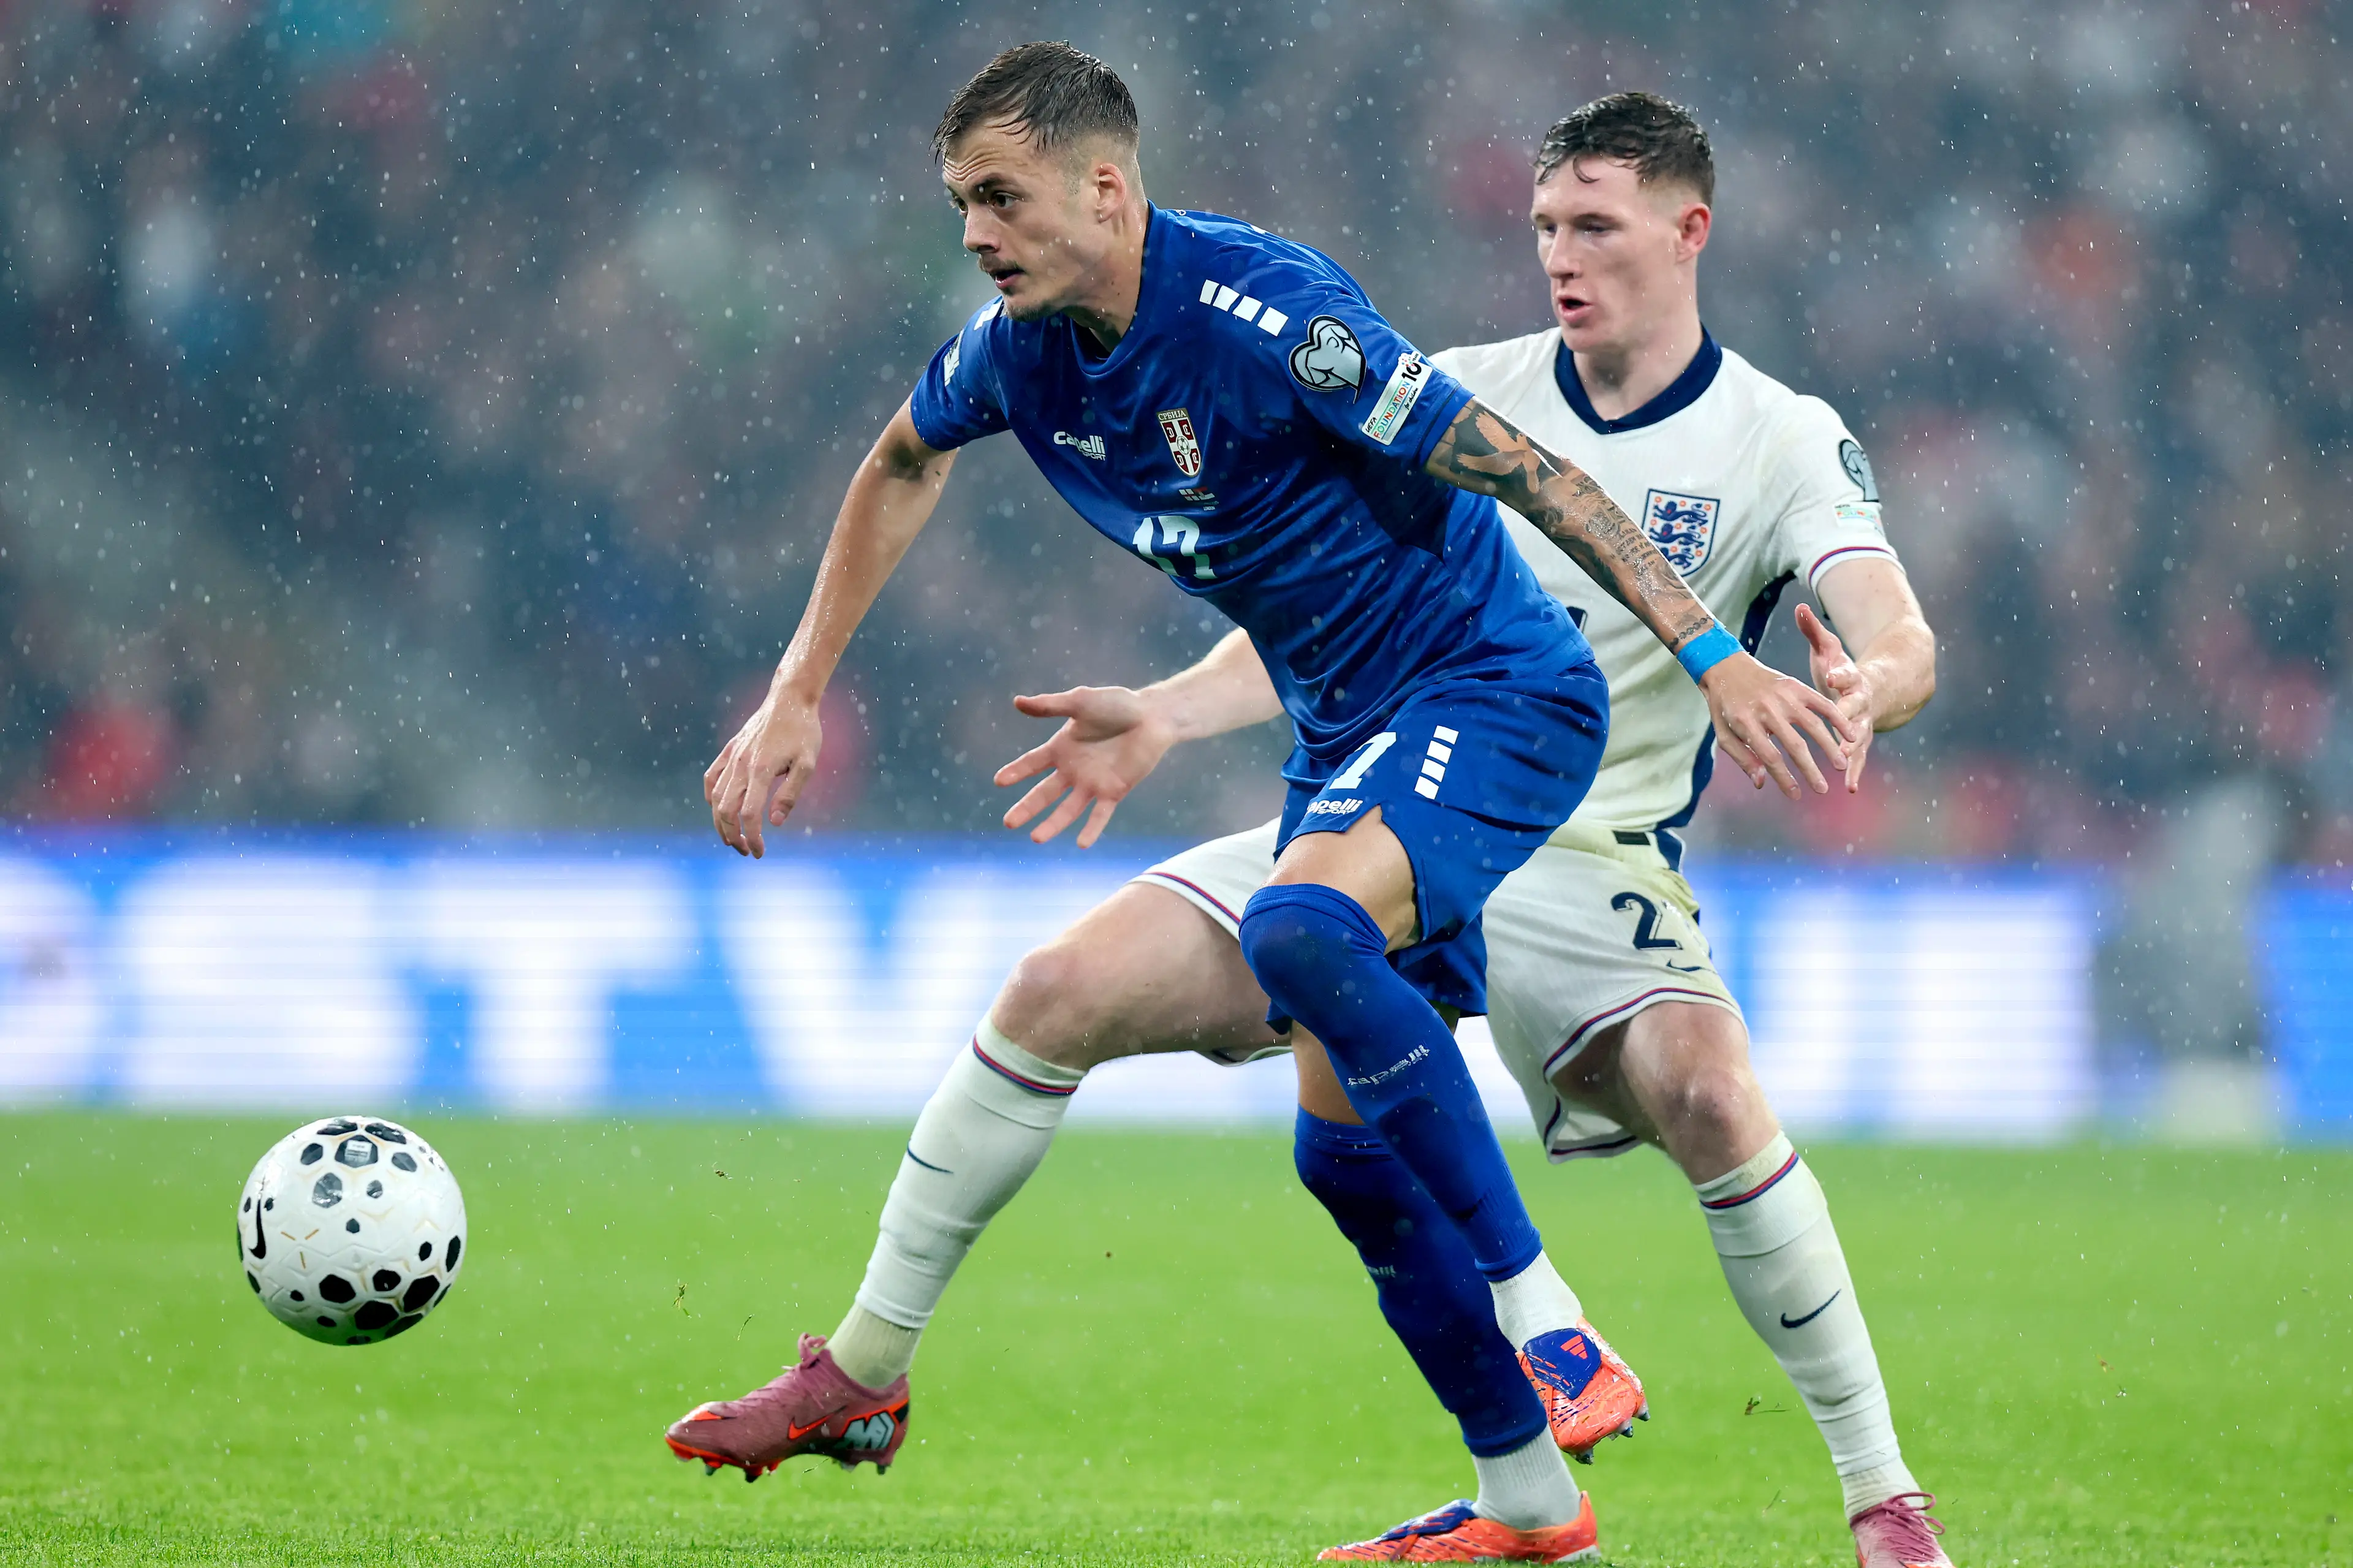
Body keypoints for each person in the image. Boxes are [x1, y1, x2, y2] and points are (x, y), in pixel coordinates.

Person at [671, 45, 1855, 1566]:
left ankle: (1546, 1317)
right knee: (1096, 1019)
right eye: (962, 201)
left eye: (1000, 198)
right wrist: (797, 687)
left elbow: (1537, 474)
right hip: (1351, 742)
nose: (975, 232)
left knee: (1301, 926)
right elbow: (898, 461)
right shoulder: (1018, 355)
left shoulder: (1273, 317)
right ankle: (869, 1376)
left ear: (1106, 187)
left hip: (1499, 697)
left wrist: (1710, 655)